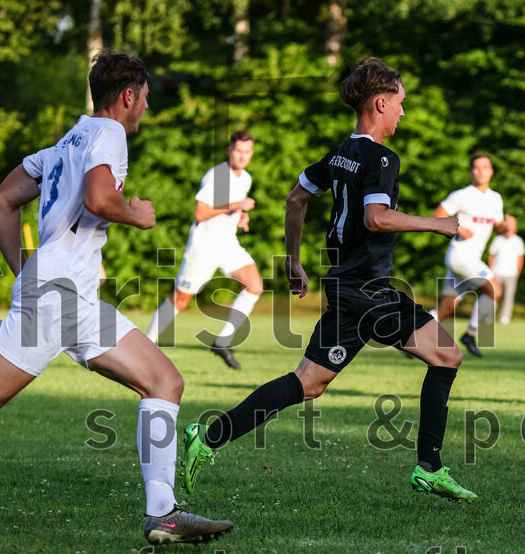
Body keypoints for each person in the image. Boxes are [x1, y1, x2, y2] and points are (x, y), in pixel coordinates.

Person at [0, 50, 233, 543]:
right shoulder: (109, 133)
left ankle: (164, 514)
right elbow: (97, 198)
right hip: (60, 293)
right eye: (146, 99)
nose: (146, 109)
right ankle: (163, 511)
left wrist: (25, 271)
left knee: (164, 381)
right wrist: (136, 213)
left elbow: (2, 201)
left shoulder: (67, 140)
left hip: (70, 295)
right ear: (128, 95)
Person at [179, 57, 477, 502]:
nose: (402, 112)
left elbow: (296, 198)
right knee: (448, 356)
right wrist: (439, 225)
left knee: (308, 382)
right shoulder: (380, 157)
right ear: (380, 102)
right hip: (369, 289)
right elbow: (376, 219)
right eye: (400, 103)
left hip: (344, 287)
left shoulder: (339, 153)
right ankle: (430, 467)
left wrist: (293, 260)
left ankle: (209, 435)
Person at [146, 132, 262, 370]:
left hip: (227, 244)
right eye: (238, 151)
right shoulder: (217, 176)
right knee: (180, 300)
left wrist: (241, 217)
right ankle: (146, 346)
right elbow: (200, 213)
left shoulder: (245, 178)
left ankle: (223, 341)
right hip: (204, 247)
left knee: (255, 286)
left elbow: (230, 209)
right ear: (230, 151)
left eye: (247, 152)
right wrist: (237, 206)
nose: (242, 156)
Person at [431, 153, 510, 357]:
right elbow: (437, 216)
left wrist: (505, 226)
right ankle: (470, 334)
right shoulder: (461, 195)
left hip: (471, 260)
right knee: (494, 289)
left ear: (491, 171)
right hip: (460, 256)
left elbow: (499, 227)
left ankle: (411, 338)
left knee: (446, 308)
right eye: (477, 167)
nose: (481, 171)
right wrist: (458, 228)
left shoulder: (495, 198)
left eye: (485, 167)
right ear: (471, 172)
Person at [488, 215, 525, 324]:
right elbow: (491, 256)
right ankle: (490, 316)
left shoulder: (518, 241)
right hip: (496, 272)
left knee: (509, 296)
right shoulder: (497, 240)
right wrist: (491, 271)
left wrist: (518, 272)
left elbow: (520, 258)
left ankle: (505, 316)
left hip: (511, 273)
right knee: (493, 295)